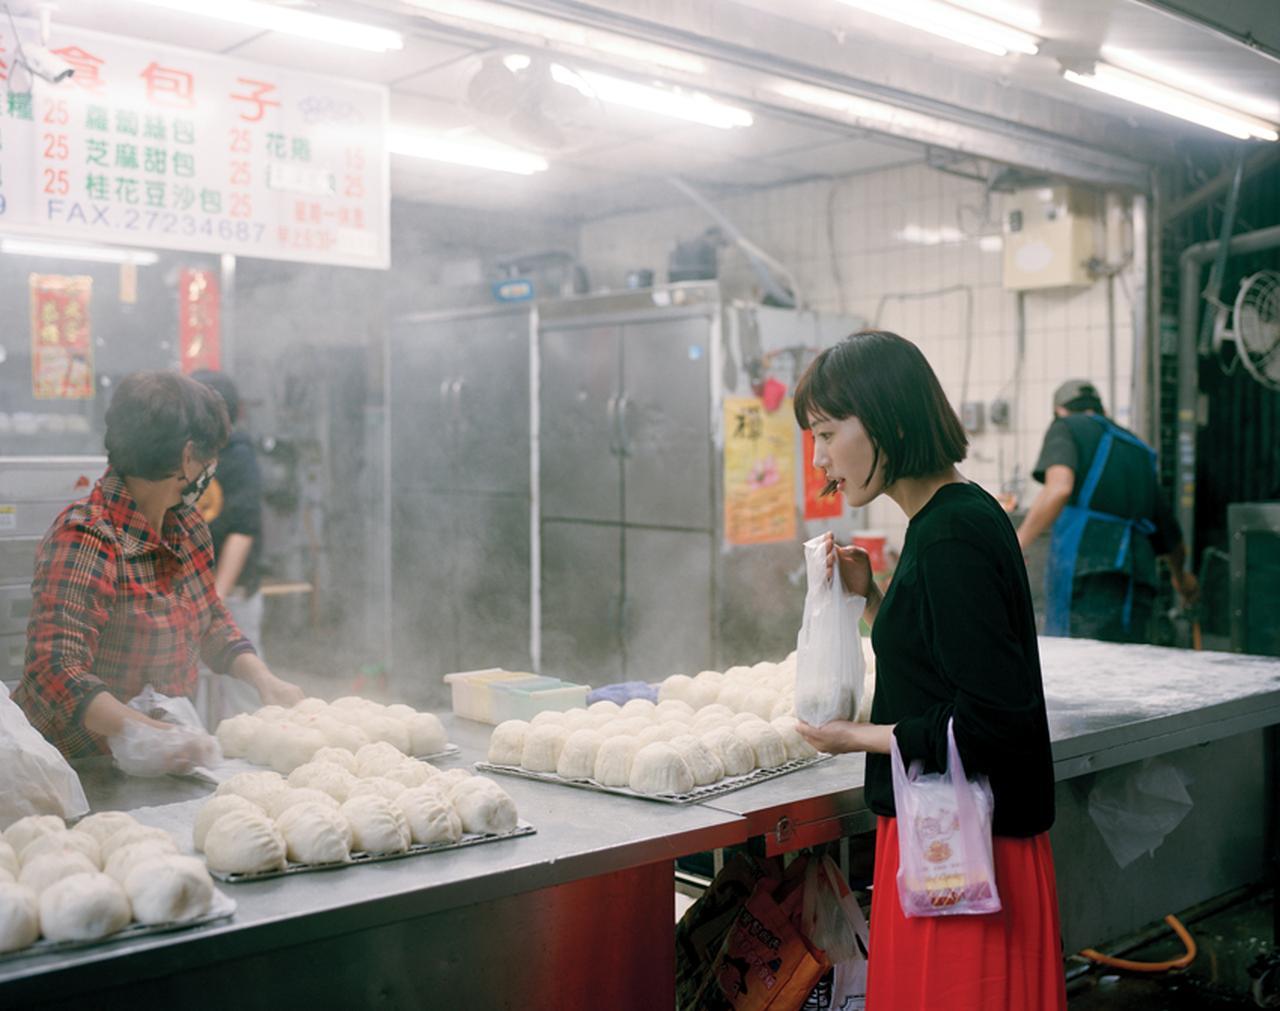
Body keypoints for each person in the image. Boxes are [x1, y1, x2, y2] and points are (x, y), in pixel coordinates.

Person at [792, 330, 1065, 1011]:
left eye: (827, 433)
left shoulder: (951, 535)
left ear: (889, 420)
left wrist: (851, 734)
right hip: (948, 836)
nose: (820, 459)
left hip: (970, 854)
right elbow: (943, 661)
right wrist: (873, 596)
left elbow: (991, 721)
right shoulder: (954, 516)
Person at [15, 370, 303, 762]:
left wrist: (264, 681)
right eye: (210, 455)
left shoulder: (186, 527)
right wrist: (145, 732)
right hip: (80, 767)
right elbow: (57, 670)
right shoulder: (87, 537)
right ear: (187, 457)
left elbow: (210, 619)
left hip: (153, 761)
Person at [1015, 379, 1198, 642]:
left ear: (1059, 410)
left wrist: (1017, 544)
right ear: (1102, 410)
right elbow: (1169, 531)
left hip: (1088, 572)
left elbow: (1059, 489)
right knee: (1126, 667)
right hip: (1138, 579)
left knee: (1080, 666)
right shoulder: (1138, 448)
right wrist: (1181, 578)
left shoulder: (1065, 427)